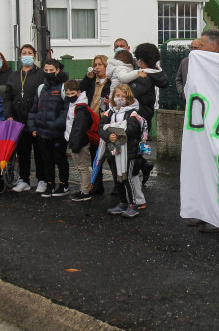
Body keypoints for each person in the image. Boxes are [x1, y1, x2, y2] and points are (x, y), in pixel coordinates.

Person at [181, 29, 219, 232]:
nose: (196, 51)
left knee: (217, 173)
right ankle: (201, 212)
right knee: (200, 170)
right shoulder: (194, 63)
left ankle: (217, 218)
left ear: (214, 46)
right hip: (200, 127)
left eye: (202, 46)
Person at [2, 44, 48, 193]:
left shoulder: (41, 74)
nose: (26, 55)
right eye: (24, 53)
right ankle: (24, 180)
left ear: (34, 56)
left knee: (40, 151)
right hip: (18, 119)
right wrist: (8, 115)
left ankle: (42, 180)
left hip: (36, 119)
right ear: (20, 56)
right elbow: (8, 98)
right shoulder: (14, 76)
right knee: (23, 152)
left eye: (29, 53)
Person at [127, 43, 170, 189]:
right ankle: (144, 167)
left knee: (133, 149)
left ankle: (134, 183)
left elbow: (130, 97)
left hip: (138, 118)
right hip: (146, 116)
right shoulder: (154, 73)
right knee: (138, 148)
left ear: (141, 59)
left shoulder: (143, 77)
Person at [101, 84, 147, 218]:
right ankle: (122, 202)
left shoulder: (132, 113)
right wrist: (109, 136)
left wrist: (114, 130)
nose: (119, 99)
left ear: (128, 98)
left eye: (123, 96)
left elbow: (132, 129)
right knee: (117, 178)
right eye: (117, 96)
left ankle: (134, 204)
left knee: (128, 178)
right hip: (114, 150)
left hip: (129, 151)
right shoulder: (109, 112)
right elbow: (101, 127)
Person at [28, 59, 71, 198]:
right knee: (47, 160)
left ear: (57, 70)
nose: (48, 73)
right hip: (42, 132)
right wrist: (33, 126)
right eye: (45, 70)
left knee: (60, 159)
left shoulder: (63, 87)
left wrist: (57, 124)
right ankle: (50, 184)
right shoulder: (41, 88)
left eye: (51, 70)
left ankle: (64, 185)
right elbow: (34, 109)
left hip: (58, 132)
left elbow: (67, 109)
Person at [63, 79, 99, 202]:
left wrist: (76, 143)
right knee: (80, 167)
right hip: (76, 140)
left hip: (80, 142)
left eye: (72, 94)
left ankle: (85, 192)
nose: (70, 97)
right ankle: (83, 189)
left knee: (82, 167)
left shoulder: (80, 108)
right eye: (67, 94)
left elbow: (79, 127)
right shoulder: (76, 105)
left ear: (78, 92)